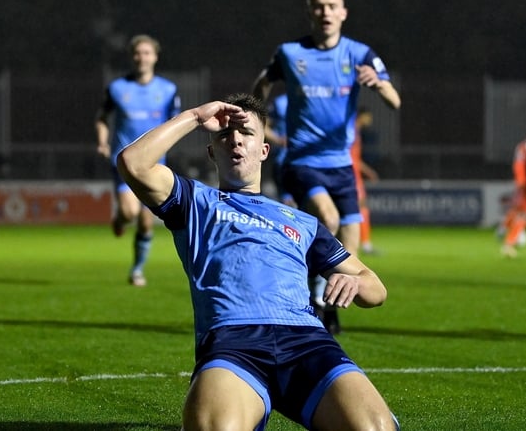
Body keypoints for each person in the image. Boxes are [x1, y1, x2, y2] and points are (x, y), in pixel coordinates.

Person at [116, 93, 398, 431]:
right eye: (224, 134)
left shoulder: (303, 222)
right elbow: (133, 162)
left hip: (307, 341)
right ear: (212, 151)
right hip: (234, 343)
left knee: (376, 428)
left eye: (246, 133)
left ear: (264, 150)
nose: (235, 139)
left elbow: (375, 289)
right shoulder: (195, 202)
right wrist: (193, 117)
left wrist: (356, 281)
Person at [252, 0, 401, 333]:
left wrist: (378, 84)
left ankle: (323, 304)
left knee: (349, 254)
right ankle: (309, 300)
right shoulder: (290, 53)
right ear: (310, 13)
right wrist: (257, 118)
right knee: (328, 220)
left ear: (344, 13)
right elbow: (262, 83)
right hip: (302, 162)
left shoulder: (359, 54)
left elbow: (395, 101)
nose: (326, 12)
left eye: (333, 6)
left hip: (342, 166)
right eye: (319, 6)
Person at [94, 34, 180, 287]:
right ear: (132, 57)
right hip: (124, 162)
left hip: (154, 164)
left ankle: (137, 270)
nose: (141, 57)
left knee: (146, 220)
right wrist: (102, 140)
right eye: (137, 53)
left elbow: (175, 123)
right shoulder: (118, 88)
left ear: (155, 56)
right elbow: (102, 117)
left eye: (146, 52)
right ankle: (120, 220)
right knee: (130, 212)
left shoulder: (167, 90)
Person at [352, 107, 380, 255]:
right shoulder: (351, 131)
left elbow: (355, 159)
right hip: (350, 176)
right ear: (361, 116)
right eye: (368, 116)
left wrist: (368, 171)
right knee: (360, 208)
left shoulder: (355, 132)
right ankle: (363, 243)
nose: (370, 120)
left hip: (353, 175)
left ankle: (361, 242)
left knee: (359, 208)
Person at [264, 93, 295, 206]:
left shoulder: (316, 100)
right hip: (283, 161)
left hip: (309, 161)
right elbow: (264, 126)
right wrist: (278, 140)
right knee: (288, 203)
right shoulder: (280, 102)